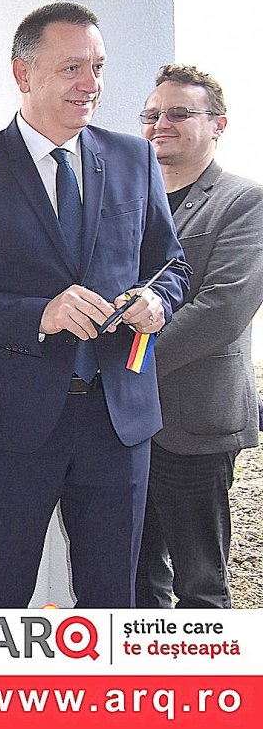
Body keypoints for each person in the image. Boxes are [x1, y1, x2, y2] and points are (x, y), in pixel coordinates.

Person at [0, 2, 187, 609]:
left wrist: (156, 300)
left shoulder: (134, 157)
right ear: (23, 73)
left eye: (98, 67)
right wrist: (39, 314)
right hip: (7, 423)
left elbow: (172, 265)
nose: (90, 83)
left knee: (113, 602)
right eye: (71, 67)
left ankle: (102, 680)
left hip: (118, 420)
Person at [136, 64, 263, 608]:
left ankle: (202, 668)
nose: (161, 123)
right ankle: (144, 667)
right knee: (135, 580)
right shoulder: (130, 200)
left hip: (195, 424)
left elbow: (223, 309)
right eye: (152, 114)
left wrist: (128, 368)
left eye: (179, 113)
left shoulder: (244, 201)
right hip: (122, 426)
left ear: (218, 124)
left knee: (200, 585)